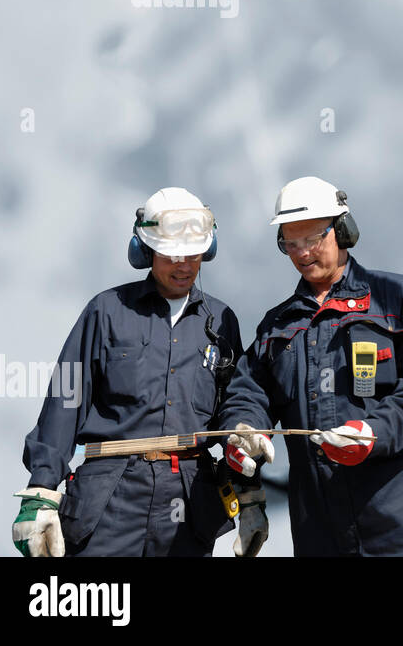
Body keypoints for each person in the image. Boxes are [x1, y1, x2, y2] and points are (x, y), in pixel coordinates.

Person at [217, 176, 403, 555]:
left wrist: (375, 431)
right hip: (320, 529)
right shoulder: (276, 326)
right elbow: (248, 393)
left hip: (401, 521)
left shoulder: (398, 298)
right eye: (290, 243)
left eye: (312, 239)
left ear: (342, 230)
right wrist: (244, 431)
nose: (302, 253)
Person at [15, 187, 246, 557]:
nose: (184, 265)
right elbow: (65, 401)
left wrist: (249, 489)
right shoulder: (106, 311)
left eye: (194, 253)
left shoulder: (221, 322)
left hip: (189, 500)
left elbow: (238, 403)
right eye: (172, 254)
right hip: (108, 499)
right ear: (146, 251)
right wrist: (41, 493)